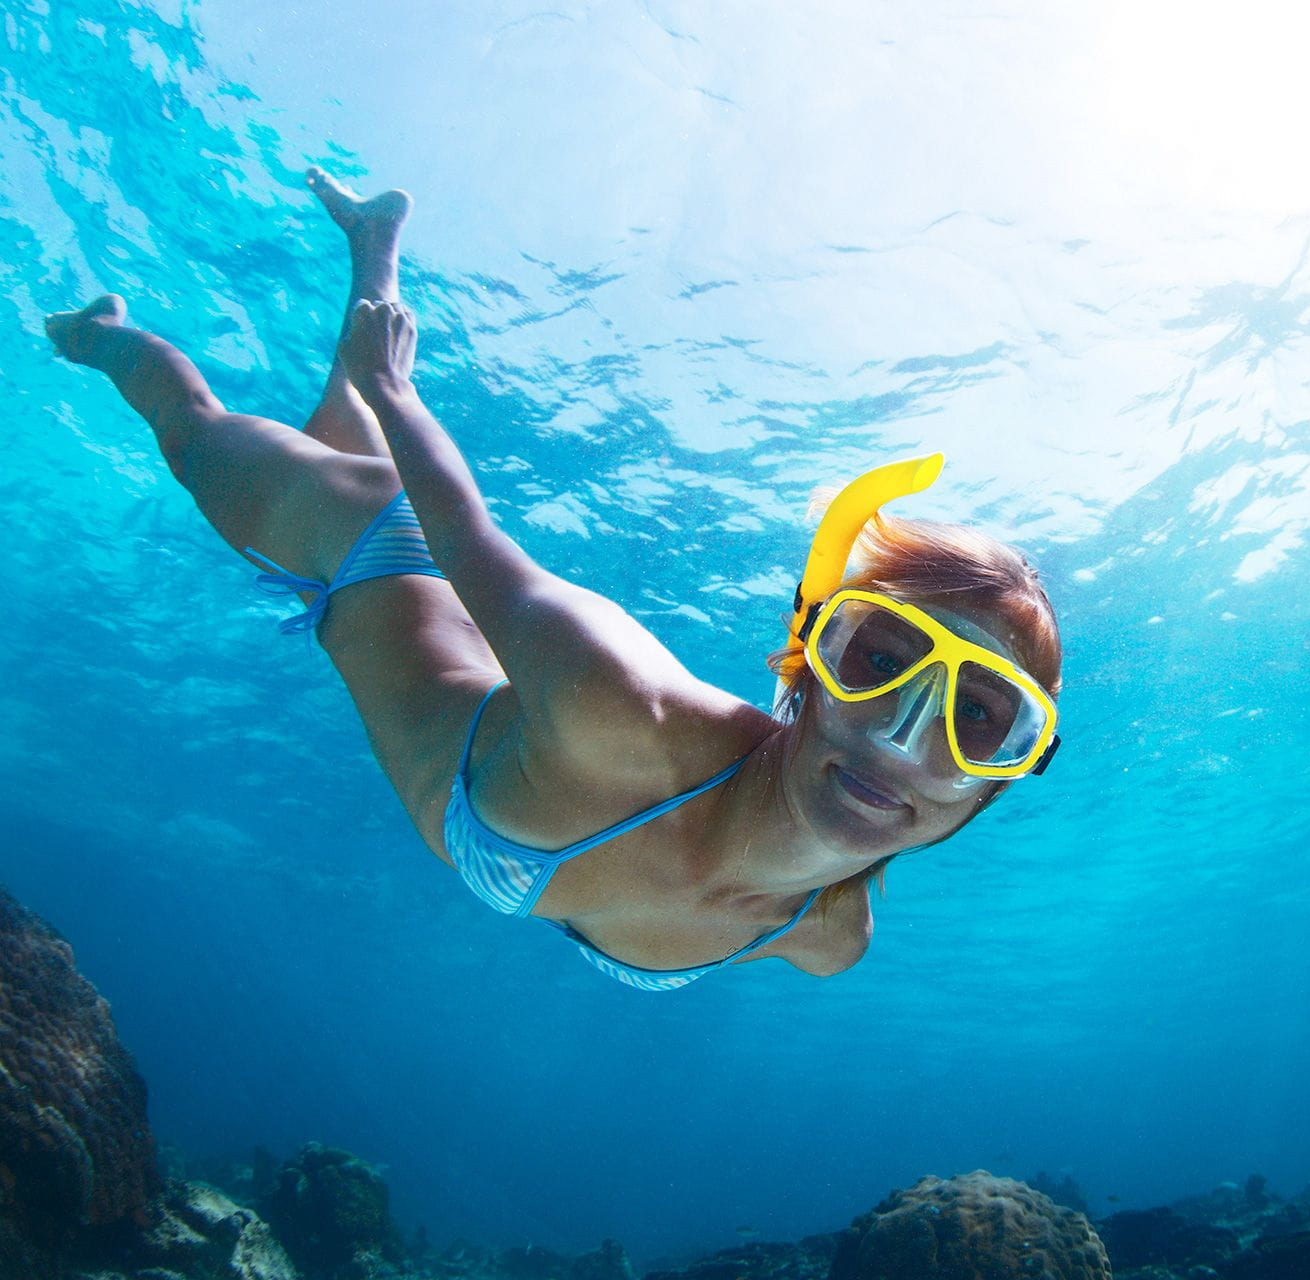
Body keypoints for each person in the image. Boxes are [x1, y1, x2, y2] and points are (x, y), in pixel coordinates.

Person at [44, 168, 1063, 991]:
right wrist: (392, 389)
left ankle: (371, 250)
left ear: (1001, 780)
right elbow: (466, 536)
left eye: (982, 718)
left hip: (467, 654)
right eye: (879, 660)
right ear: (802, 665)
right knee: (196, 440)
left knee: (326, 436)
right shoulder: (621, 706)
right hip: (373, 545)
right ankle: (99, 334)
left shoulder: (826, 936)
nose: (901, 734)